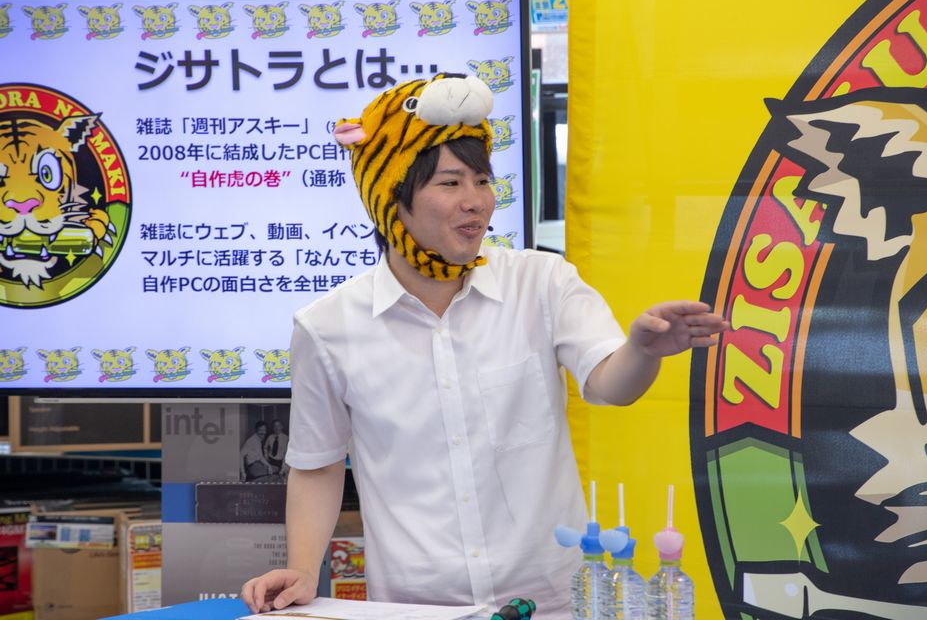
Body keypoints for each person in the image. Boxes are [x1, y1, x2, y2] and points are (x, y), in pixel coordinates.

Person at [241, 73, 727, 618]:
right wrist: (304, 569)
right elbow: (318, 464)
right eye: (450, 184)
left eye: (482, 180)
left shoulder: (541, 282)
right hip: (416, 609)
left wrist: (642, 350)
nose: (475, 202)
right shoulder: (326, 327)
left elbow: (611, 384)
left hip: (551, 603)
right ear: (391, 197)